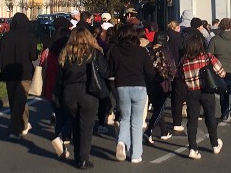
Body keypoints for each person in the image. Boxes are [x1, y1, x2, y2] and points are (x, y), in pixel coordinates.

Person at [54, 27, 109, 170]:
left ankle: (77, 155)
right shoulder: (93, 53)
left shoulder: (65, 54)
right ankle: (83, 158)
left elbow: (59, 79)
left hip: (69, 92)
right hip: (88, 91)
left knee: (75, 124)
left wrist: (58, 97)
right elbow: (105, 71)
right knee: (86, 126)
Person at [108, 24, 156, 163]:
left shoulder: (114, 51)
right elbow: (150, 72)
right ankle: (136, 155)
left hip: (121, 86)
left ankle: (122, 142)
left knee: (124, 118)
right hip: (139, 86)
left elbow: (110, 72)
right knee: (137, 121)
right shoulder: (141, 51)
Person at [0, 12, 38, 140]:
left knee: (14, 102)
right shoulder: (30, 37)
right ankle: (15, 129)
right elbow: (33, 56)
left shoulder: (6, 38)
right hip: (24, 73)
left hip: (9, 74)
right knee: (20, 101)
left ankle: (21, 125)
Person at [181, 34, 226, 159]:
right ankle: (215, 144)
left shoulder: (184, 60)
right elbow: (221, 72)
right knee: (210, 118)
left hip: (191, 92)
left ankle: (192, 148)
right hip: (206, 91)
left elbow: (180, 76)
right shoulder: (207, 56)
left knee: (192, 120)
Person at [47, 16, 74, 160]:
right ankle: (62, 137)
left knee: (59, 116)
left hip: (53, 87)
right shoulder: (68, 52)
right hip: (68, 87)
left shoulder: (51, 49)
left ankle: (61, 144)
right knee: (72, 115)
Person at [143, 31, 177, 144]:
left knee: (158, 107)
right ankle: (149, 131)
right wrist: (170, 79)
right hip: (162, 83)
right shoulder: (166, 52)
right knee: (159, 108)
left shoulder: (147, 50)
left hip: (149, 82)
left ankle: (163, 131)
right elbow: (172, 68)